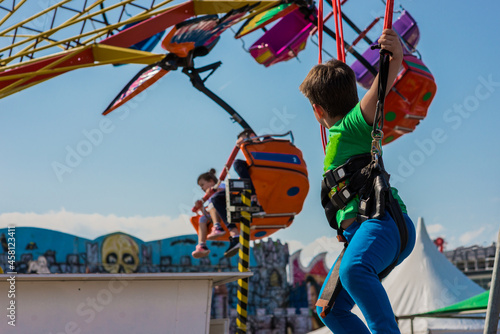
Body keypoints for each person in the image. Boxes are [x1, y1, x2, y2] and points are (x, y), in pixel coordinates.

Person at [299, 29, 416, 333]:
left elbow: (378, 94)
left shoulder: (352, 126)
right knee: (330, 310)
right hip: (363, 235)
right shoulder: (341, 136)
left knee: (354, 271)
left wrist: (396, 58)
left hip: (384, 224)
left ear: (317, 110)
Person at [192, 169, 241, 258]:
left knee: (213, 201)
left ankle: (217, 227)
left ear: (211, 181)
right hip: (218, 213)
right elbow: (208, 216)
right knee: (202, 218)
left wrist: (215, 190)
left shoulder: (220, 186)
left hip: (226, 207)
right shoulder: (211, 196)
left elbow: (227, 191)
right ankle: (202, 245)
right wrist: (201, 207)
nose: (202, 188)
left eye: (202, 185)